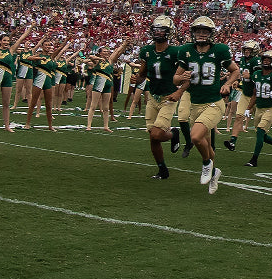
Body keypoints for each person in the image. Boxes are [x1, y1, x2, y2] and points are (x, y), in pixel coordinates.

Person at [173, 15, 239, 195]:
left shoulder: (219, 50)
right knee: (207, 146)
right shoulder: (186, 50)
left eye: (205, 31)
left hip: (214, 103)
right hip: (196, 104)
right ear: (193, 33)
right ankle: (214, 173)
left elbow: (235, 71)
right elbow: (175, 79)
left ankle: (206, 164)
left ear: (211, 34)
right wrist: (181, 77)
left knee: (195, 137)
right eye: (198, 31)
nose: (201, 34)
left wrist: (227, 84)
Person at [135, 14, 185, 180]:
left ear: (169, 32)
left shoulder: (176, 52)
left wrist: (179, 91)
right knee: (153, 137)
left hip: (168, 98)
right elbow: (142, 74)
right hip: (152, 96)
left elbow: (188, 74)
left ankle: (173, 134)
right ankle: (162, 170)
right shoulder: (147, 51)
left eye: (162, 30)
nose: (158, 32)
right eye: (156, 29)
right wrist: (137, 79)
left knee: (157, 134)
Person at [244, 50, 272, 168]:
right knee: (260, 134)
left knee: (261, 131)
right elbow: (254, 93)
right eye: (264, 59)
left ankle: (254, 159)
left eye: (268, 60)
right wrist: (248, 108)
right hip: (259, 108)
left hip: (270, 108)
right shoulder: (257, 74)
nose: (265, 61)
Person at [85, 39, 131, 131]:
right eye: (104, 51)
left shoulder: (110, 60)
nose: (106, 53)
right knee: (93, 106)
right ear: (100, 53)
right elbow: (91, 57)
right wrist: (99, 58)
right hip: (99, 83)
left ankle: (106, 126)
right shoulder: (97, 61)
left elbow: (117, 52)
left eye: (107, 51)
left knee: (106, 107)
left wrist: (124, 44)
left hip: (108, 83)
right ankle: (89, 125)